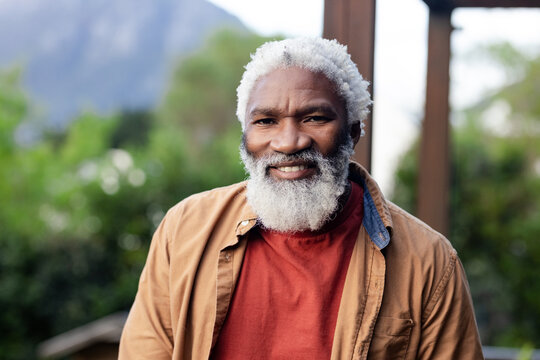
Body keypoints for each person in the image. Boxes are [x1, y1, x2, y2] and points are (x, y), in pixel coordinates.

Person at [119, 37, 484, 359]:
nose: (289, 142)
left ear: (354, 132)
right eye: (266, 121)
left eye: (314, 118)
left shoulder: (429, 261)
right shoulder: (184, 230)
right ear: (245, 133)